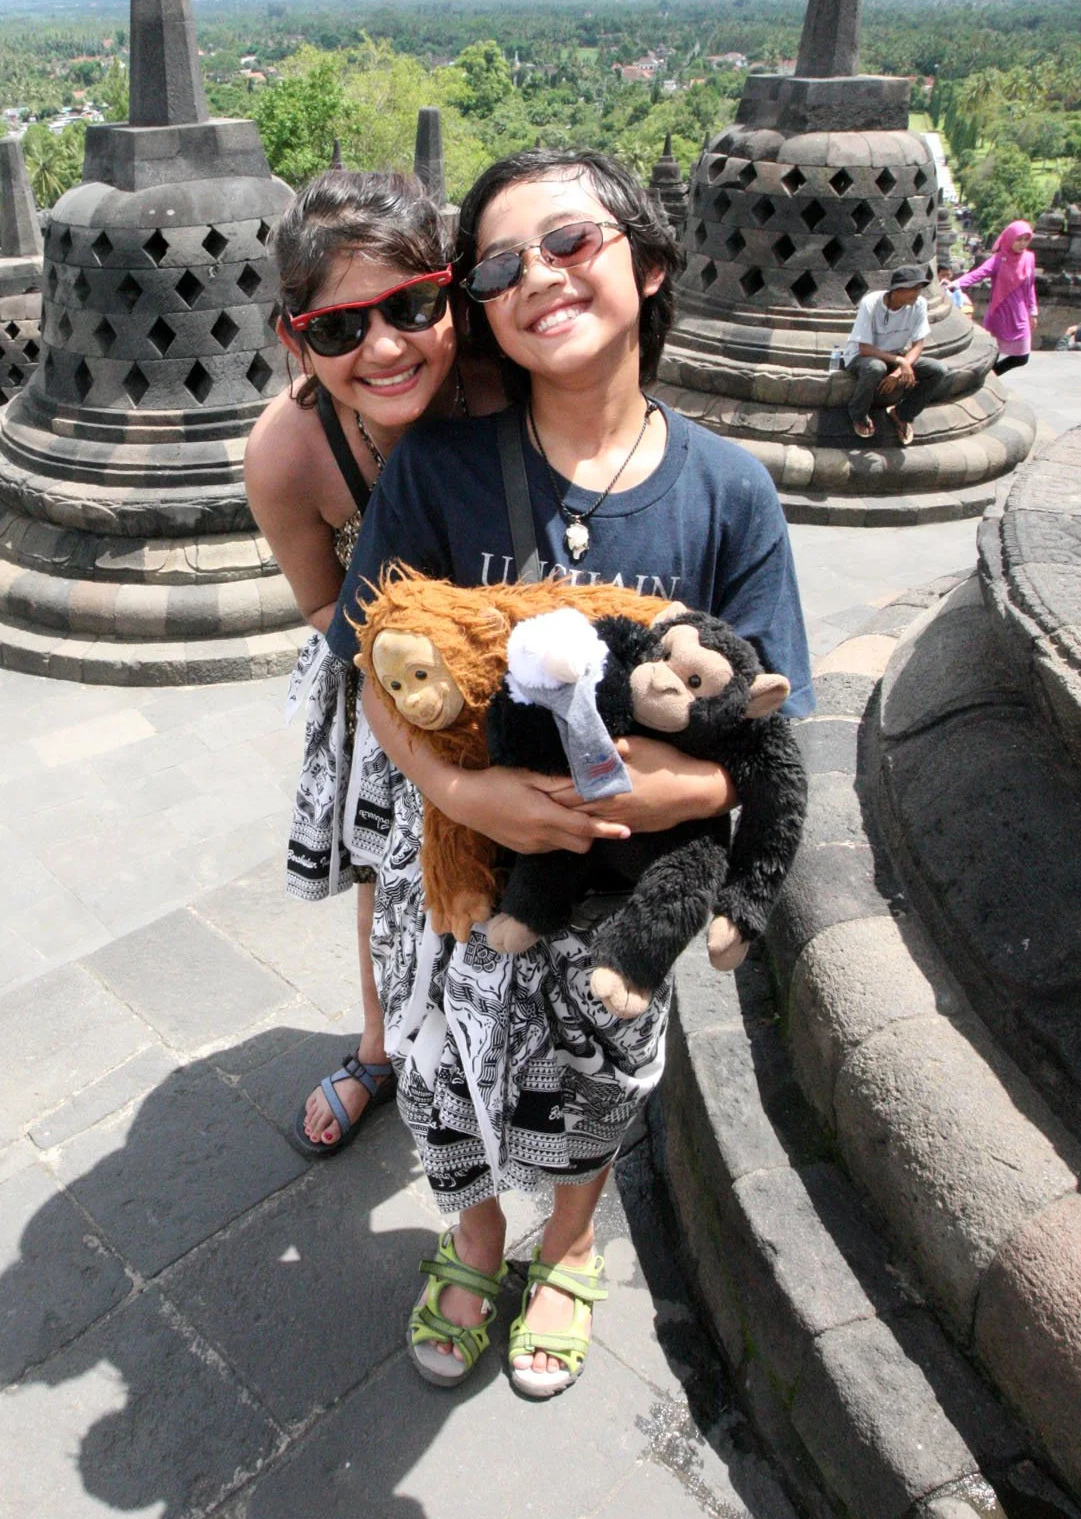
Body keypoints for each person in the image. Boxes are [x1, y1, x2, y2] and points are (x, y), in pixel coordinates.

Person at [327, 147, 811, 1400]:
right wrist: (456, 794)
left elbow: (764, 739)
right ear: (481, 310)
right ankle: (477, 1240)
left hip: (624, 886)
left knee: (593, 1073)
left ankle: (570, 1243)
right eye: (498, 267)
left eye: (569, 242)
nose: (536, 276)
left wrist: (676, 796)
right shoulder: (437, 471)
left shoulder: (726, 494)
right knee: (443, 1065)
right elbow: (373, 669)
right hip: (460, 862)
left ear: (646, 265)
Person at [245, 170, 501, 1155]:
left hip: (520, 662)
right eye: (340, 328)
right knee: (385, 874)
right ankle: (379, 1045)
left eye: (411, 308)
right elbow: (322, 605)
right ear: (294, 339)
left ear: (450, 295)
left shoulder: (499, 388)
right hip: (381, 679)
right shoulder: (289, 452)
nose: (385, 348)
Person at [835, 265, 948, 446]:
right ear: (898, 290)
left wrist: (899, 371)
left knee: (937, 370)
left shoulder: (919, 304)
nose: (917, 293)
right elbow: (864, 348)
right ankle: (859, 414)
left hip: (895, 355)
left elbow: (918, 344)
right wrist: (901, 361)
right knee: (876, 367)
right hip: (862, 357)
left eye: (919, 289)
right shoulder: (871, 303)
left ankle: (903, 414)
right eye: (913, 289)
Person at [948, 220, 1039, 376]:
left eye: (1026, 239)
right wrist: (956, 284)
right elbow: (977, 274)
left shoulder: (1028, 258)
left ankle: (990, 376)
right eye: (1019, 239)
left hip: (1020, 313)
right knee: (993, 353)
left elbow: (1029, 286)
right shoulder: (998, 260)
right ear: (1010, 239)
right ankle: (984, 378)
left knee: (1022, 357)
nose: (1022, 244)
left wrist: (1033, 312)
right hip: (1000, 312)